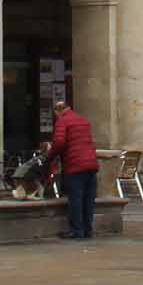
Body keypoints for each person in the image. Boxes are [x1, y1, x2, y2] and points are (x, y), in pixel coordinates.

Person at [43, 97, 99, 239]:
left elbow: (59, 143)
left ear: (58, 111)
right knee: (88, 199)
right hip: (91, 164)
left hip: (75, 165)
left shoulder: (62, 121)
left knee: (76, 199)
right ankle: (88, 230)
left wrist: (49, 157)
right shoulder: (83, 120)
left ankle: (77, 231)